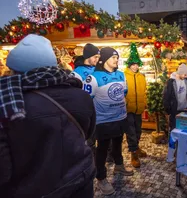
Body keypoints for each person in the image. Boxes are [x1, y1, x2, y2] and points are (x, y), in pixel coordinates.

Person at [0, 34, 96, 198]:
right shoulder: (80, 95)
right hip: (80, 181)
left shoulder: (6, 101)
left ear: (15, 70)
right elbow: (88, 133)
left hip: (31, 190)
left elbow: (4, 170)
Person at [84, 47, 133, 195]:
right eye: (113, 57)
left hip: (120, 117)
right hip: (103, 121)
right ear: (104, 60)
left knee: (118, 144)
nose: (116, 60)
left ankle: (119, 165)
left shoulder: (121, 74)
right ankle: (101, 177)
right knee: (102, 150)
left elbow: (124, 93)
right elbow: (86, 99)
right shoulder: (93, 77)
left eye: (117, 57)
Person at [124, 57, 147, 168]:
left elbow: (144, 91)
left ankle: (136, 148)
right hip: (128, 109)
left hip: (139, 108)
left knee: (138, 130)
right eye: (133, 64)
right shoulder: (123, 76)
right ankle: (133, 154)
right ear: (129, 65)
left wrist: (144, 102)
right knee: (131, 132)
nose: (135, 67)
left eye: (137, 64)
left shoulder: (141, 77)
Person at [163, 63, 187, 132]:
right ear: (180, 73)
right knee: (175, 129)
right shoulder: (171, 82)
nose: (186, 76)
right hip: (175, 111)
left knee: (185, 130)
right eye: (185, 74)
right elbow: (166, 96)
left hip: (186, 110)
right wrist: (168, 110)